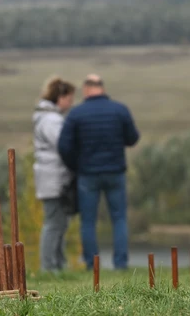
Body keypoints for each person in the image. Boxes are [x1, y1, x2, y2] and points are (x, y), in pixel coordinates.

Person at [58, 74, 140, 271]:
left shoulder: (77, 114)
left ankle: (91, 265)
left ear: (86, 89)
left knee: (88, 221)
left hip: (88, 174)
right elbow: (132, 138)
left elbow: (64, 146)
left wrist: (75, 165)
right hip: (115, 172)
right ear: (102, 87)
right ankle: (121, 264)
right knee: (119, 218)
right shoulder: (120, 110)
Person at [32, 76, 76, 272]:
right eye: (69, 98)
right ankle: (49, 267)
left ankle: (57, 264)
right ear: (60, 97)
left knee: (59, 224)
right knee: (53, 224)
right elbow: (63, 145)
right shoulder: (51, 120)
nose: (71, 103)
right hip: (53, 178)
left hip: (51, 177)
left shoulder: (46, 118)